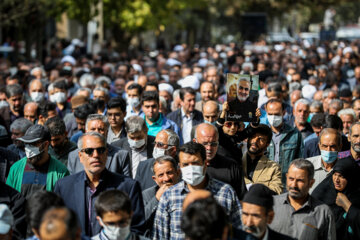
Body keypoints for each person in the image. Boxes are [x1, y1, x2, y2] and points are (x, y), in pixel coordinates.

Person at [54, 132, 145, 237]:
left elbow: (137, 229)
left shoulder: (128, 187)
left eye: (100, 150)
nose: (96, 155)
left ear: (106, 154)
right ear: (80, 156)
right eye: (89, 151)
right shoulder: (64, 186)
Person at [152, 142, 242, 240]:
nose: (190, 168)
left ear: (205, 163)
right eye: (185, 164)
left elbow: (239, 231)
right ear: (180, 167)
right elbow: (160, 236)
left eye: (195, 163)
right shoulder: (169, 196)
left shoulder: (225, 192)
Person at [269, 159, 336, 240]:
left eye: (300, 180)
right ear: (286, 177)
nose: (294, 185)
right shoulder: (271, 204)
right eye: (291, 179)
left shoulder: (323, 213)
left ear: (311, 183)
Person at [6, 125, 69, 199]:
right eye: (26, 143)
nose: (28, 148)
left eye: (33, 144)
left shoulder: (60, 172)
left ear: (46, 144)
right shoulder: (16, 168)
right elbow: (9, 199)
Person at [193, 123, 247, 199]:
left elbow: (242, 198)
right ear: (195, 141)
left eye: (213, 144)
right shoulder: (188, 166)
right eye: (205, 143)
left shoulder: (232, 167)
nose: (209, 148)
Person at [312, 157, 360, 240]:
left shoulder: (357, 195)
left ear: (350, 177)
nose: (336, 180)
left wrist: (347, 206)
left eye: (341, 176)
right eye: (334, 174)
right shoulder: (323, 192)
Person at [265, 99, 303, 183]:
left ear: (284, 112)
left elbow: (300, 161)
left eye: (277, 114)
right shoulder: (262, 133)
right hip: (266, 183)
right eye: (270, 114)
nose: (273, 117)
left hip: (287, 184)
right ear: (266, 113)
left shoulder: (295, 134)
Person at [142, 156, 180, 234]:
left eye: (169, 173)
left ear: (177, 172)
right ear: (155, 179)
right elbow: (141, 222)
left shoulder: (187, 192)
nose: (166, 178)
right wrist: (156, 199)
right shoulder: (147, 195)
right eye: (161, 175)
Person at [242, 124, 282, 194]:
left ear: (267, 144)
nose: (255, 141)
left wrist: (253, 188)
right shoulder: (237, 161)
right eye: (253, 137)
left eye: (261, 139)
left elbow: (277, 190)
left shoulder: (273, 167)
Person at [307, 128, 342, 192]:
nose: (328, 150)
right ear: (319, 146)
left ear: (340, 147)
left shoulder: (345, 167)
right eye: (325, 146)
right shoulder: (307, 165)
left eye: (332, 146)